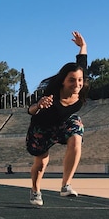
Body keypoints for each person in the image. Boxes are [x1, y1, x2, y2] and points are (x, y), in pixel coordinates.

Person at [25, 31, 88, 206]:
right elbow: (29, 111)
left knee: (77, 136)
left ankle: (65, 185)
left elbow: (82, 62)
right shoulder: (50, 93)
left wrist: (83, 46)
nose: (77, 85)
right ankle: (35, 190)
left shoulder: (82, 84)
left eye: (80, 80)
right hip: (42, 127)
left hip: (65, 122)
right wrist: (38, 105)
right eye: (72, 81)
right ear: (63, 81)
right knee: (41, 163)